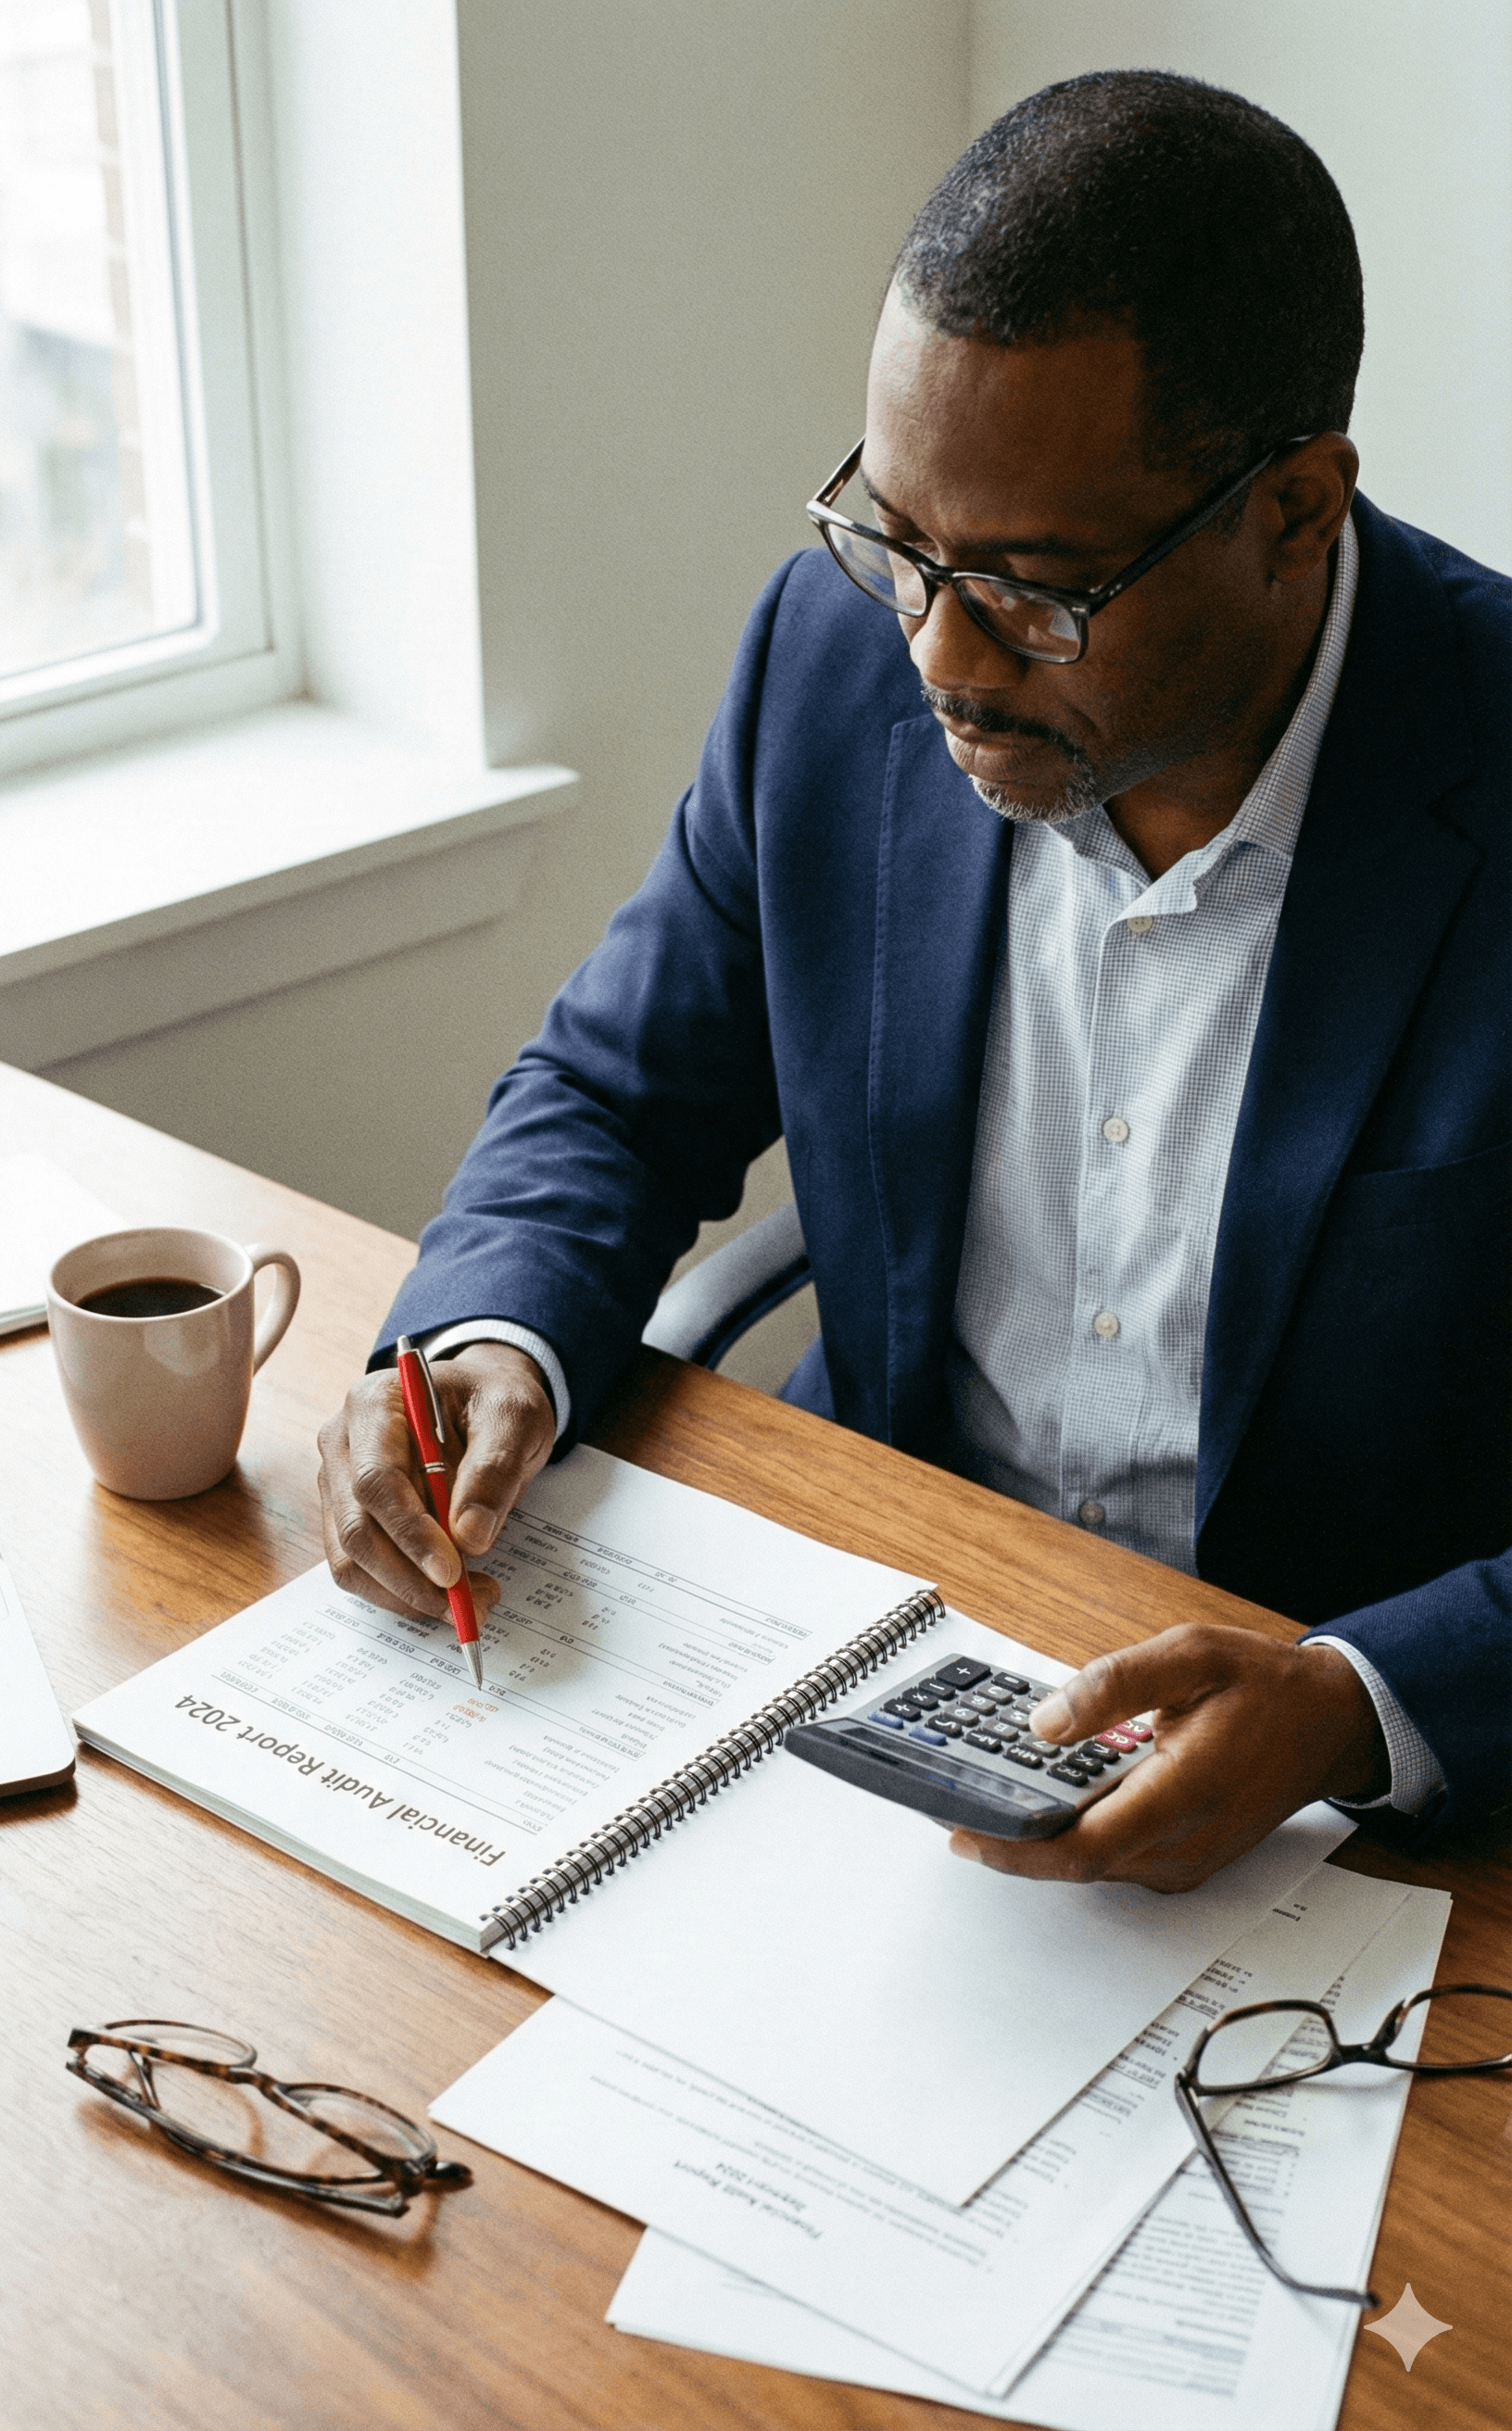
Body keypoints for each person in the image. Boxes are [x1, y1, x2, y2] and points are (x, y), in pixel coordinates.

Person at [318, 71, 1510, 1888]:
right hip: (866, 1644)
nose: (939, 658)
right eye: (898, 539)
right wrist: (485, 1338)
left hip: (1355, 1827)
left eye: (1034, 588)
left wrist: (1362, 1698)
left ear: (1294, 511)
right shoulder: (831, 658)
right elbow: (620, 1092)